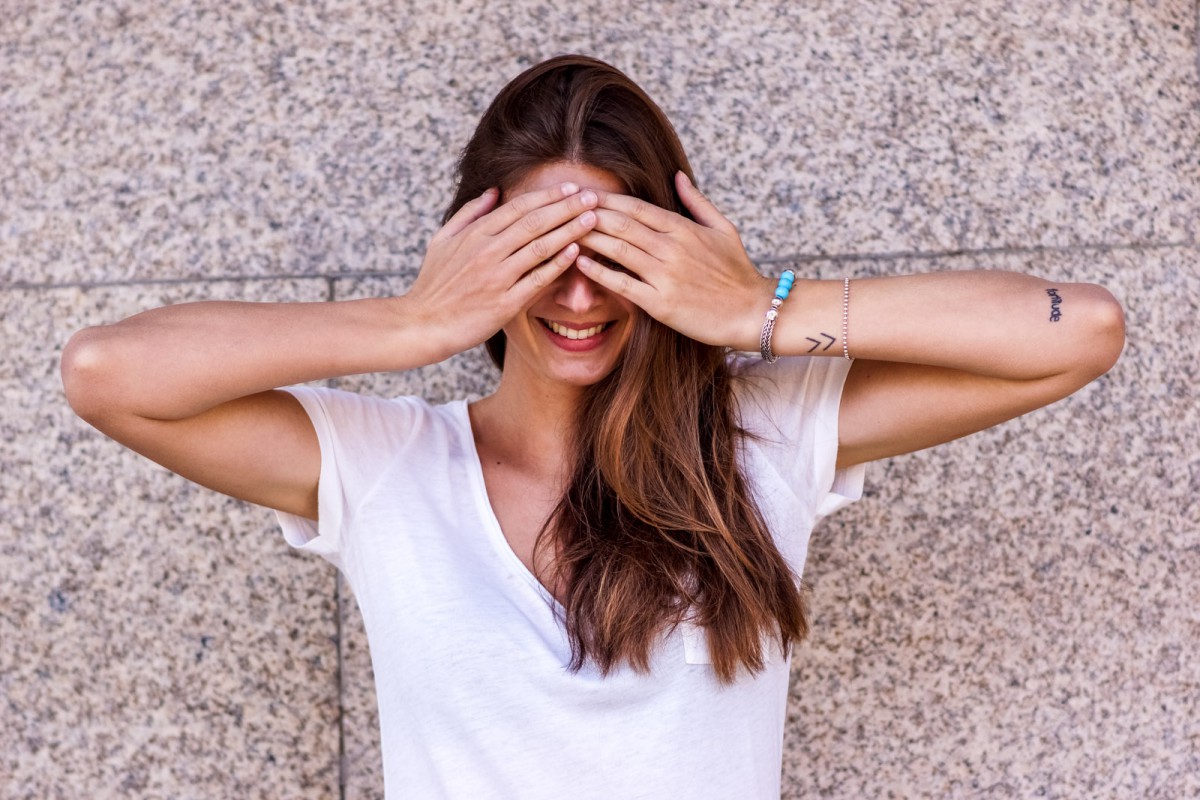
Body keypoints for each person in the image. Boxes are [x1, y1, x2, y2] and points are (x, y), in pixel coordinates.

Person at [61, 55, 1124, 798]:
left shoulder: (759, 438)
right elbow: (107, 373)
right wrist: (412, 319)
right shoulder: (387, 467)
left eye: (616, 251)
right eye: (540, 251)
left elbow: (1077, 329)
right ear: (478, 254)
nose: (578, 296)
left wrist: (759, 307)